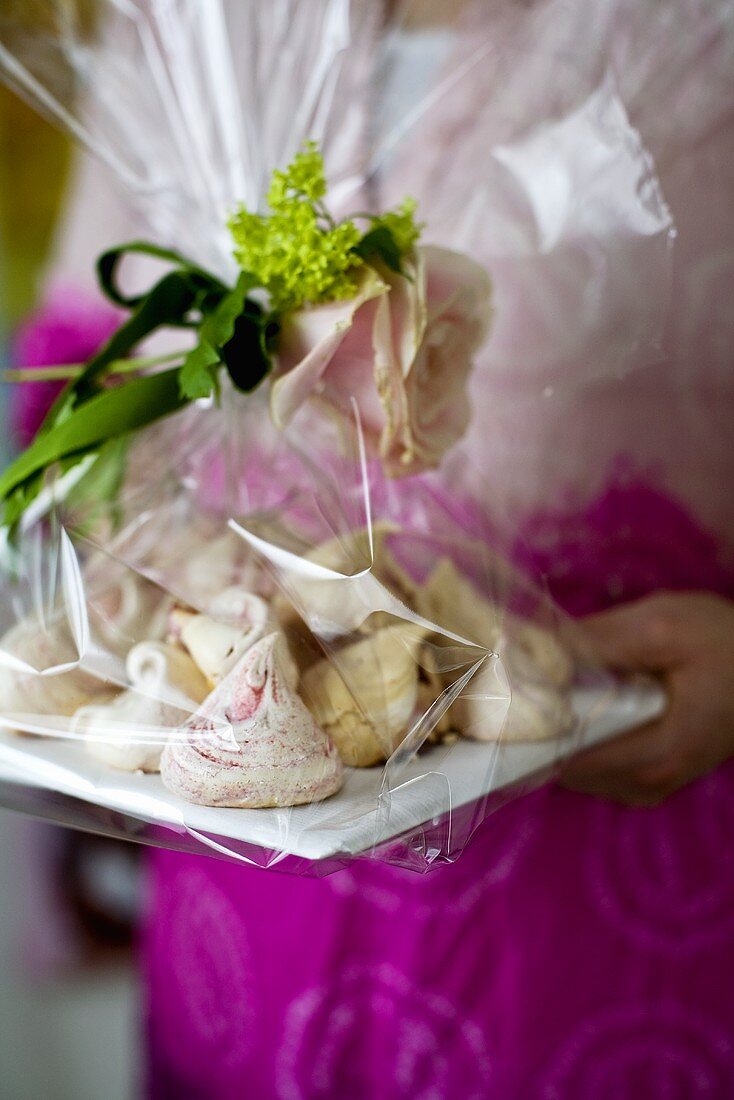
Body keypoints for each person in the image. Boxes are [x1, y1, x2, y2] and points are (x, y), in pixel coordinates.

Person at [11, 0, 734, 1096]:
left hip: (598, 925)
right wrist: (103, 598)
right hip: (237, 943)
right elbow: (83, 369)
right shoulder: (194, 17)